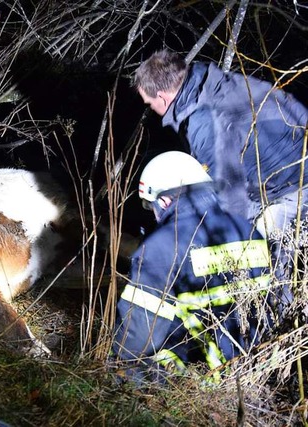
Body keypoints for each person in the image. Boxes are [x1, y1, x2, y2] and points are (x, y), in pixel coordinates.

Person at [133, 49, 308, 277]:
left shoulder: (203, 122)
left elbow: (231, 195)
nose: (152, 109)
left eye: (149, 103)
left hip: (294, 186)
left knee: (257, 260)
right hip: (276, 179)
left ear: (163, 97)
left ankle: (278, 308)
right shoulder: (211, 85)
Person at [112, 151, 274, 384]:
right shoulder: (248, 231)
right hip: (259, 369)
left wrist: (114, 371)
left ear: (165, 200)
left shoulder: (163, 245)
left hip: (212, 381)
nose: (156, 216)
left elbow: (138, 336)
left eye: (152, 206)